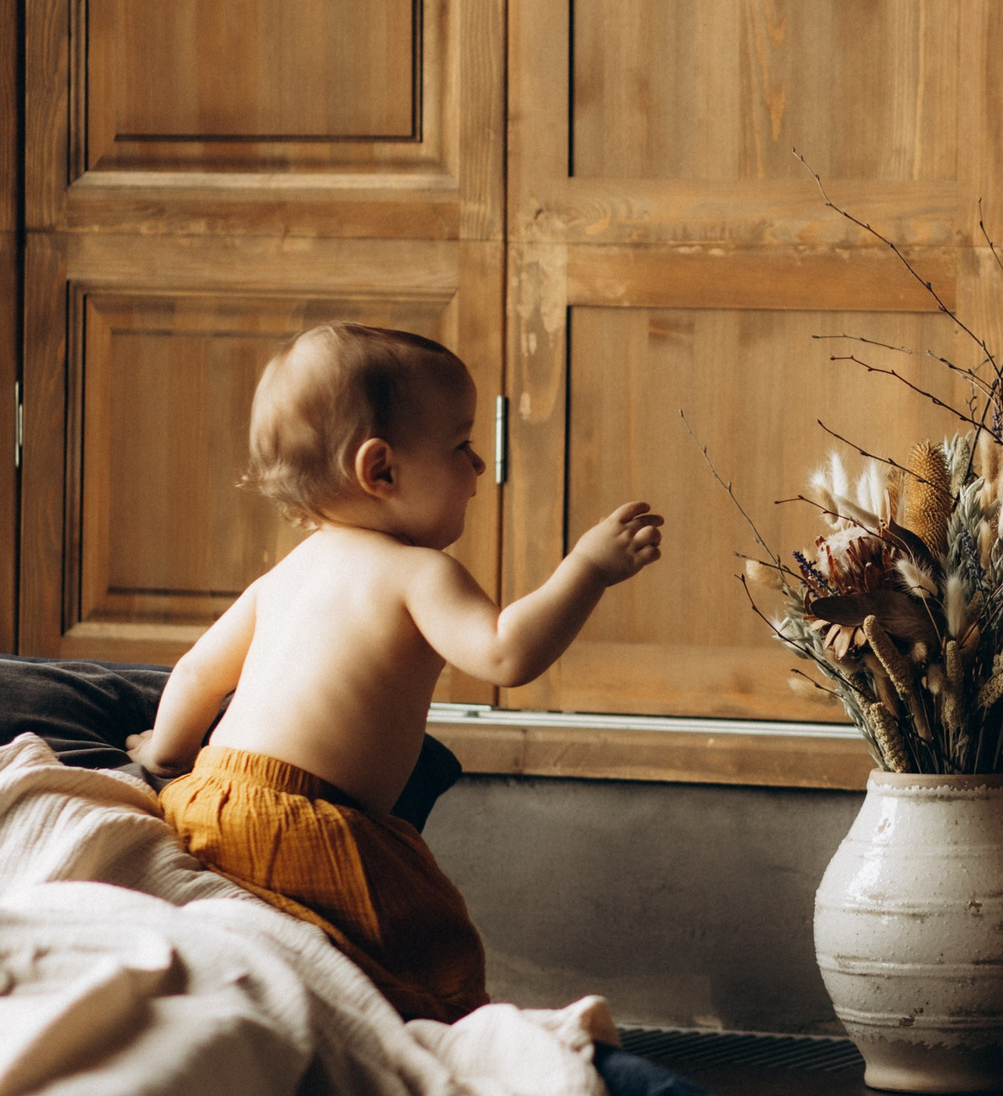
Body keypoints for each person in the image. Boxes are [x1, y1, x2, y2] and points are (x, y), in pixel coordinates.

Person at [128, 323, 664, 1023]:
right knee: (423, 953)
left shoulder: (288, 572)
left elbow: (198, 674)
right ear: (380, 470)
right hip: (313, 828)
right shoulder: (418, 572)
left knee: (272, 960)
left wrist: (165, 759)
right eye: (461, 447)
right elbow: (507, 653)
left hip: (211, 804)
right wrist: (587, 569)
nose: (478, 470)